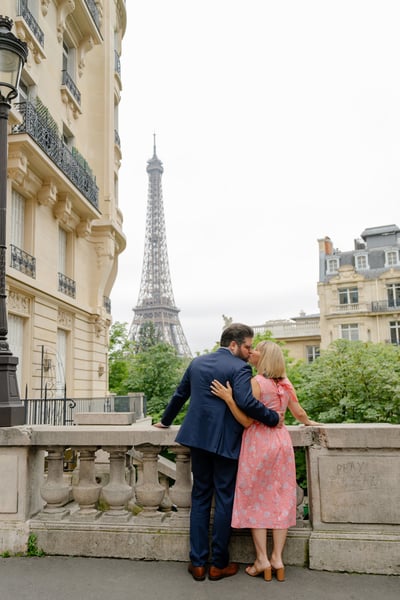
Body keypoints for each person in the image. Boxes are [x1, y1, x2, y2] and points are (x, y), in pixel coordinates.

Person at [153, 324, 283, 582]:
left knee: (200, 497)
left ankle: (198, 563)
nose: (249, 352)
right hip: (225, 443)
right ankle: (219, 564)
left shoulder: (198, 363)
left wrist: (165, 421)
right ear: (233, 344)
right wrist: (272, 418)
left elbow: (181, 395)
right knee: (224, 498)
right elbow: (246, 402)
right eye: (247, 346)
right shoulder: (239, 368)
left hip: (198, 440)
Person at [210, 340, 319, 583]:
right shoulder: (286, 383)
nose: (253, 352)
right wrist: (312, 423)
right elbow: (299, 413)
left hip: (258, 443)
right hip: (281, 444)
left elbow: (247, 421)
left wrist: (229, 399)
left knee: (255, 497)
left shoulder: (257, 383)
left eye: (258, 349)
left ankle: (262, 560)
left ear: (265, 357)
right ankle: (278, 559)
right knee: (280, 498)